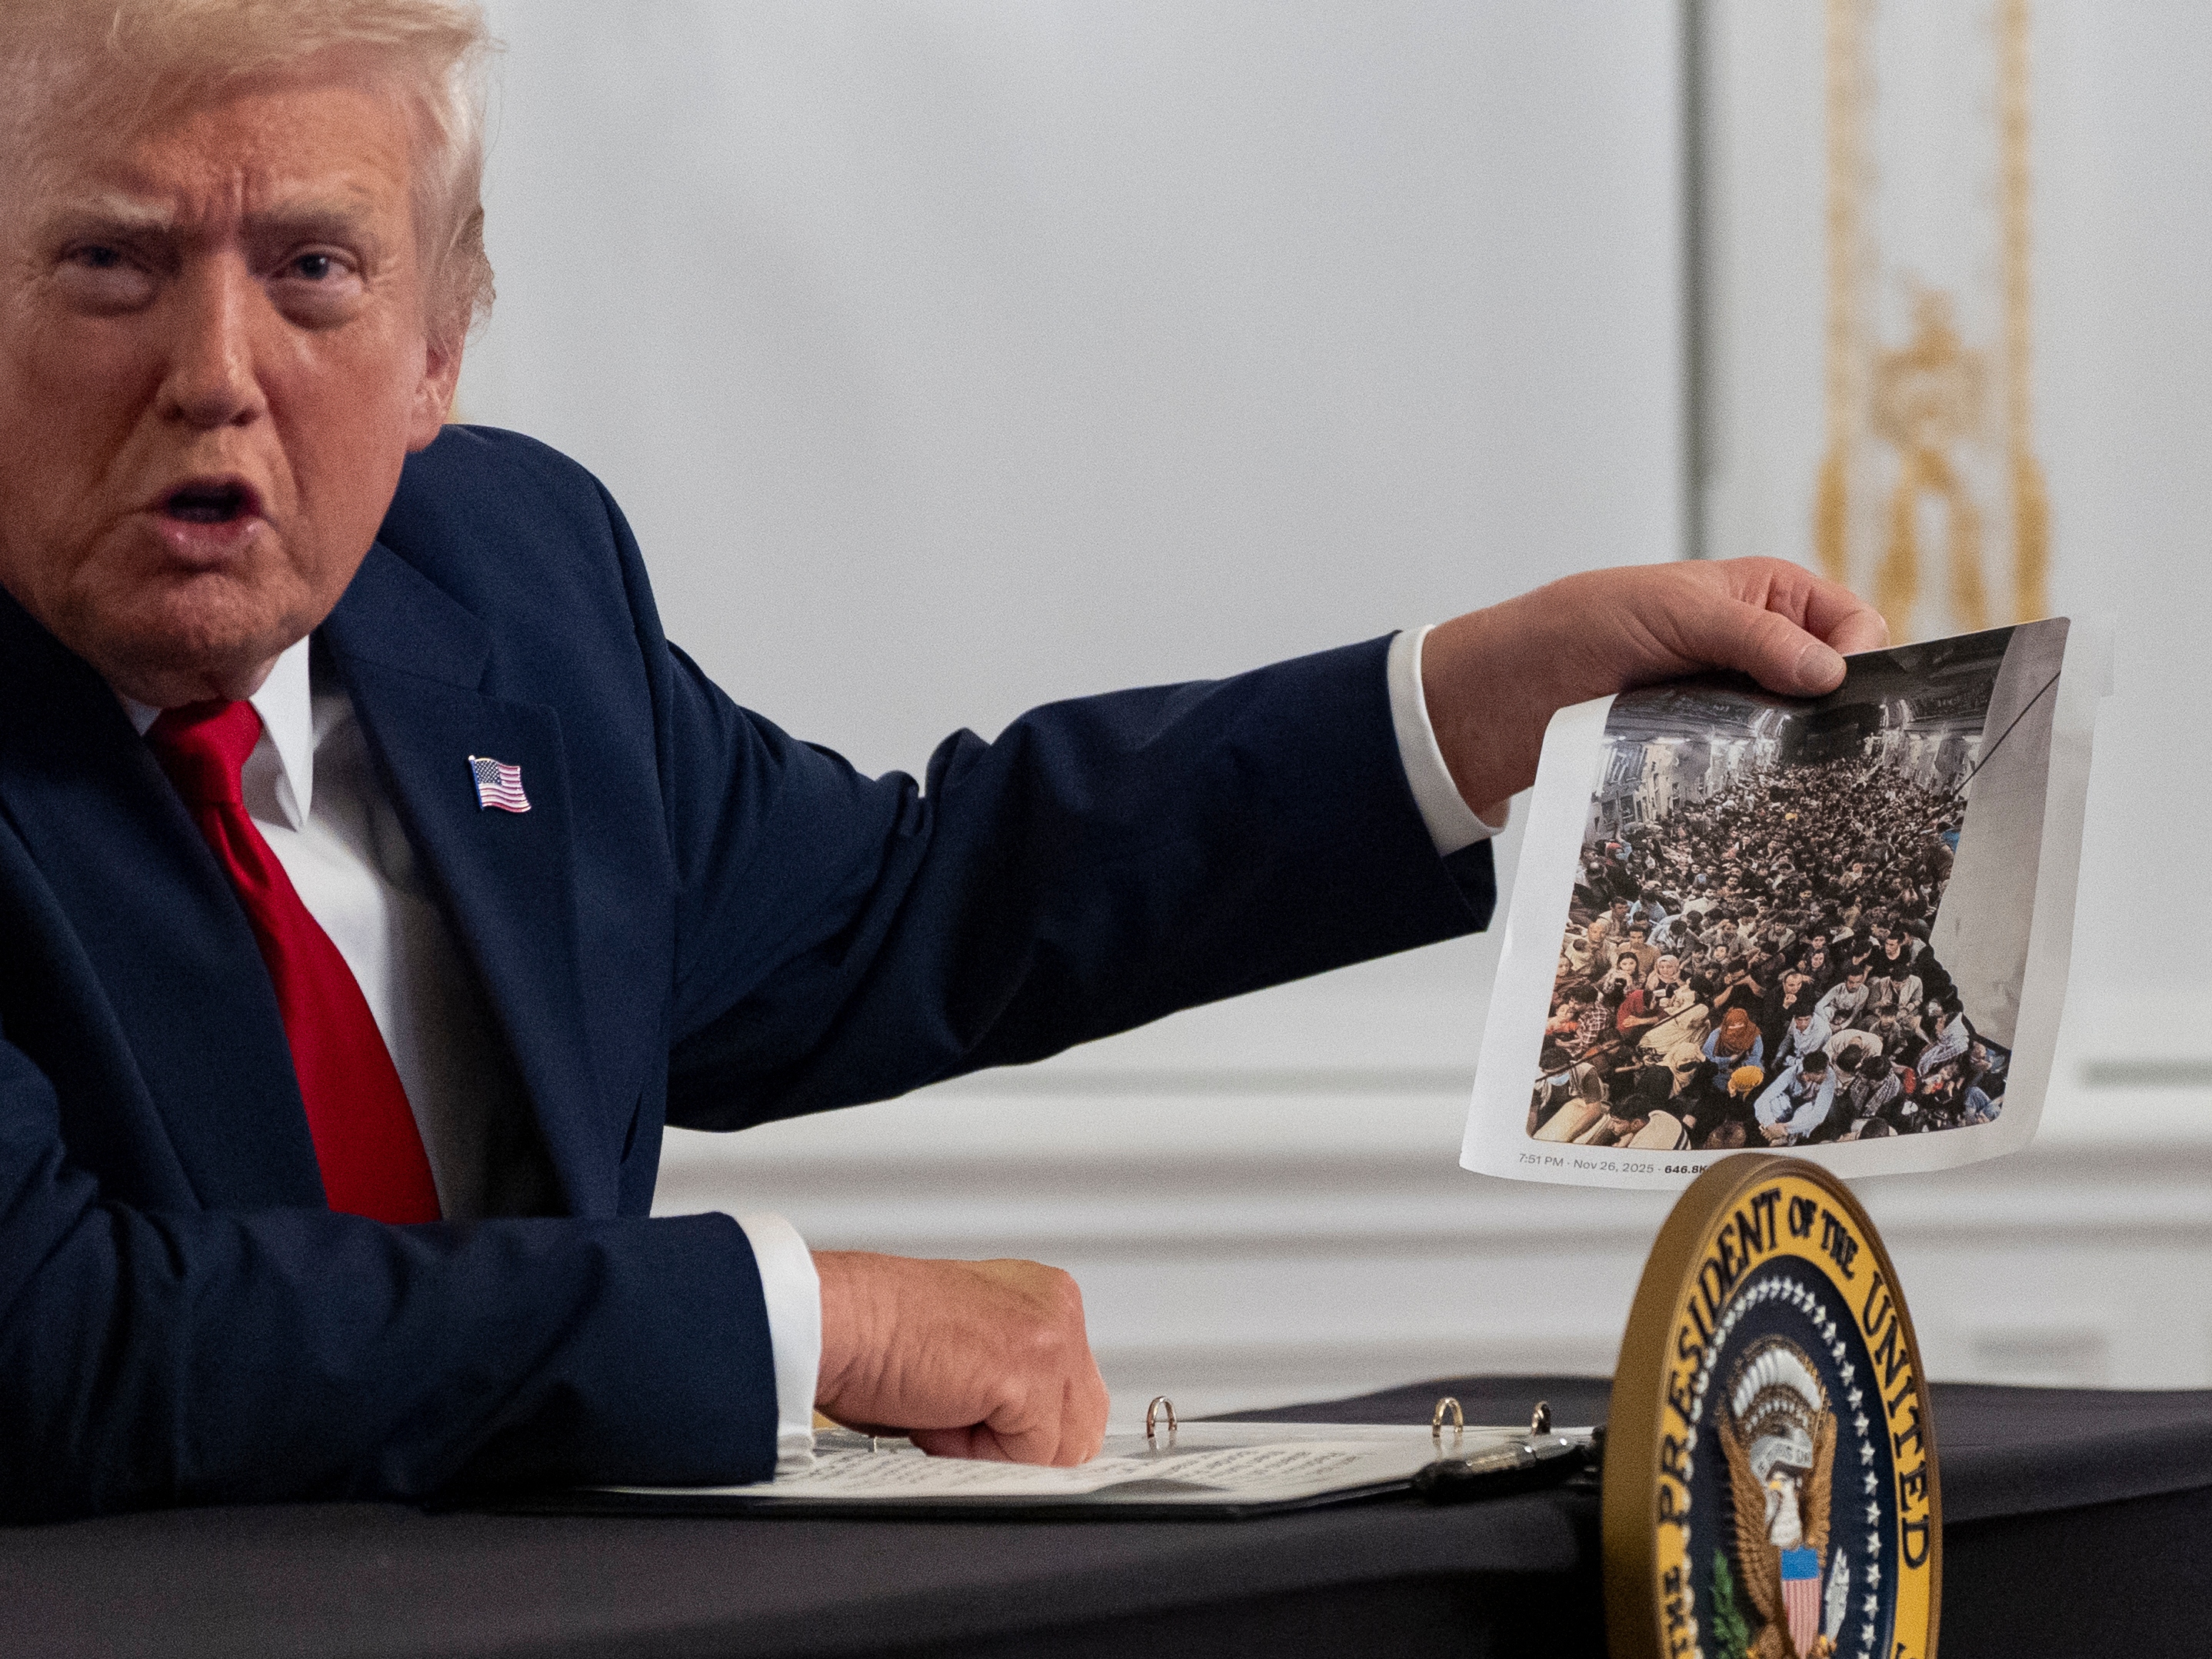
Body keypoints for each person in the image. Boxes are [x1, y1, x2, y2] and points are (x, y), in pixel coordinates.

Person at [0, 0, 1887, 1520]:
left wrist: (1483, 709)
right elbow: (58, 1337)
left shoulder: (505, 582)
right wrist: (796, 1317)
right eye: (111, 261)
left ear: (439, 347)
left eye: (316, 267)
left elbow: (901, 906)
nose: (219, 369)